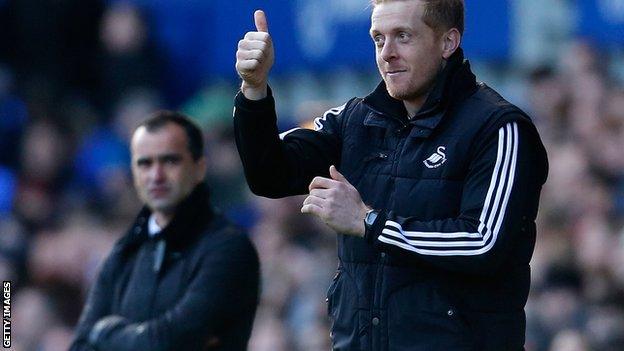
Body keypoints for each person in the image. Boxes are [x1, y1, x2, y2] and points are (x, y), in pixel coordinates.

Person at [233, 1, 548, 350]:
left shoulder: (497, 127)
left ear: (448, 42)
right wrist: (255, 91)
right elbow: (268, 175)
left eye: (403, 36)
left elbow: (482, 243)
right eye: (378, 39)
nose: (387, 53)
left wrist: (369, 222)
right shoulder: (356, 119)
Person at [70, 111, 260, 351]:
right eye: (145, 163)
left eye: (170, 161)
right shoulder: (125, 252)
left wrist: (104, 334)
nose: (156, 176)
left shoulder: (229, 247)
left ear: (199, 167)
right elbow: (81, 345)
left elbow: (171, 342)